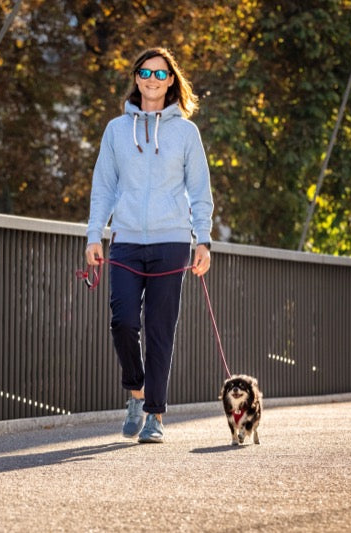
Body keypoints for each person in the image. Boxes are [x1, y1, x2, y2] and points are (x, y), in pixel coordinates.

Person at [85, 47, 214, 443]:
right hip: (124, 243)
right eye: (145, 72)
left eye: (160, 74)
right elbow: (104, 186)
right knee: (122, 322)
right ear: (136, 77)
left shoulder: (186, 133)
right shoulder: (115, 130)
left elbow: (200, 190)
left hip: (172, 242)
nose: (152, 80)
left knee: (160, 330)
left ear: (171, 80)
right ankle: (137, 393)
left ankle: (155, 415)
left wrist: (203, 240)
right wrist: (95, 234)